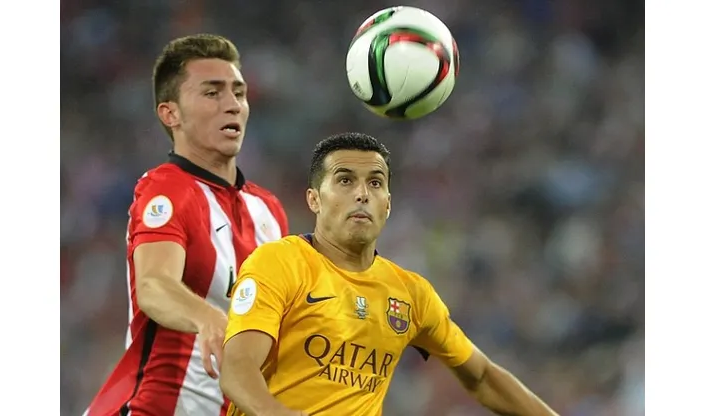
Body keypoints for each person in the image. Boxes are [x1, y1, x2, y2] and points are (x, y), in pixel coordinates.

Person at [219, 132, 558, 416]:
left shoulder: (410, 293)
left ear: (388, 204)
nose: (362, 193)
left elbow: (481, 377)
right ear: (314, 200)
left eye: (375, 183)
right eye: (345, 180)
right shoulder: (279, 262)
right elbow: (237, 369)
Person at [84, 34, 289, 416]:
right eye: (212, 93)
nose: (232, 104)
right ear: (171, 114)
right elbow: (153, 285)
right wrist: (206, 317)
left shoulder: (269, 211)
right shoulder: (168, 189)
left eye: (238, 93)